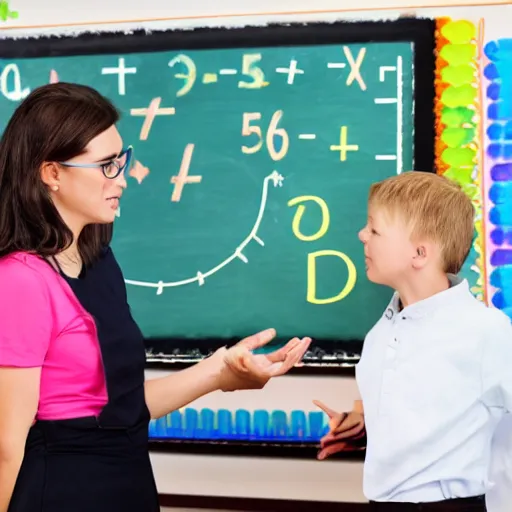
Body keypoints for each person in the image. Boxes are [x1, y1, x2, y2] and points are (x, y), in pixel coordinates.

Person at [0, 83, 311, 512]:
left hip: (128, 482)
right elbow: (5, 445)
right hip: (62, 491)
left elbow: (123, 410)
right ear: (52, 173)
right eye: (106, 166)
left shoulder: (99, 263)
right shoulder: (20, 280)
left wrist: (220, 371)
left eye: (121, 160)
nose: (122, 179)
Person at [314, 171, 512, 511]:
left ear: (420, 253)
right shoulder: (381, 333)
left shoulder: (485, 331)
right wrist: (363, 424)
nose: (362, 235)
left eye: (375, 229)